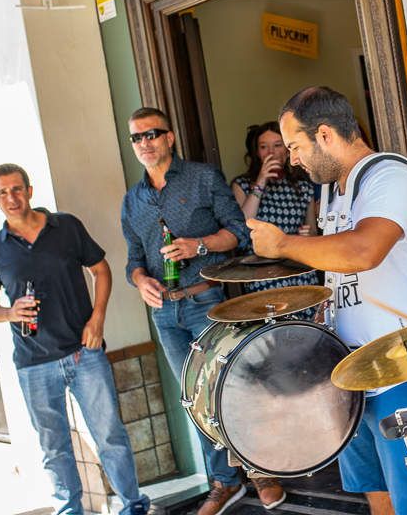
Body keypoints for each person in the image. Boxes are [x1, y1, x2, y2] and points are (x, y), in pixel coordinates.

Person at [247, 86, 407, 515]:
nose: (292, 158)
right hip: (354, 368)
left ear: (325, 135)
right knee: (377, 493)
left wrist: (284, 244)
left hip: (405, 363)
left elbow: (363, 251)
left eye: (295, 146)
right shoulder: (331, 190)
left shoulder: (389, 176)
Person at [120, 108, 285, 513]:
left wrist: (199, 246)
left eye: (152, 134)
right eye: (137, 138)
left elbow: (237, 233)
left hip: (207, 301)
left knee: (234, 386)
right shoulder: (133, 199)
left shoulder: (201, 177)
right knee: (196, 399)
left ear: (170, 137)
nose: (145, 143)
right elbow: (133, 259)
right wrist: (140, 281)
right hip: (165, 312)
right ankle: (225, 482)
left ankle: (260, 469)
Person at [0, 163, 149, 515]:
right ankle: (69, 511)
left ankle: (133, 506)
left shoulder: (65, 226)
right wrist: (9, 312)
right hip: (33, 365)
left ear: (30, 191)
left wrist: (97, 319)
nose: (11, 197)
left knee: (110, 437)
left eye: (17, 189)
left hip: (84, 354)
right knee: (54, 447)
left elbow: (101, 270)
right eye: (2, 192)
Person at [230, 121, 319, 317]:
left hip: (298, 270)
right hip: (263, 274)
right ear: (257, 153)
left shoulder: (303, 186)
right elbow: (241, 226)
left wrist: (308, 235)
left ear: (287, 150)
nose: (270, 152)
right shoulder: (243, 185)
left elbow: (312, 231)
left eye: (277, 145)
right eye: (264, 147)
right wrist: (261, 180)